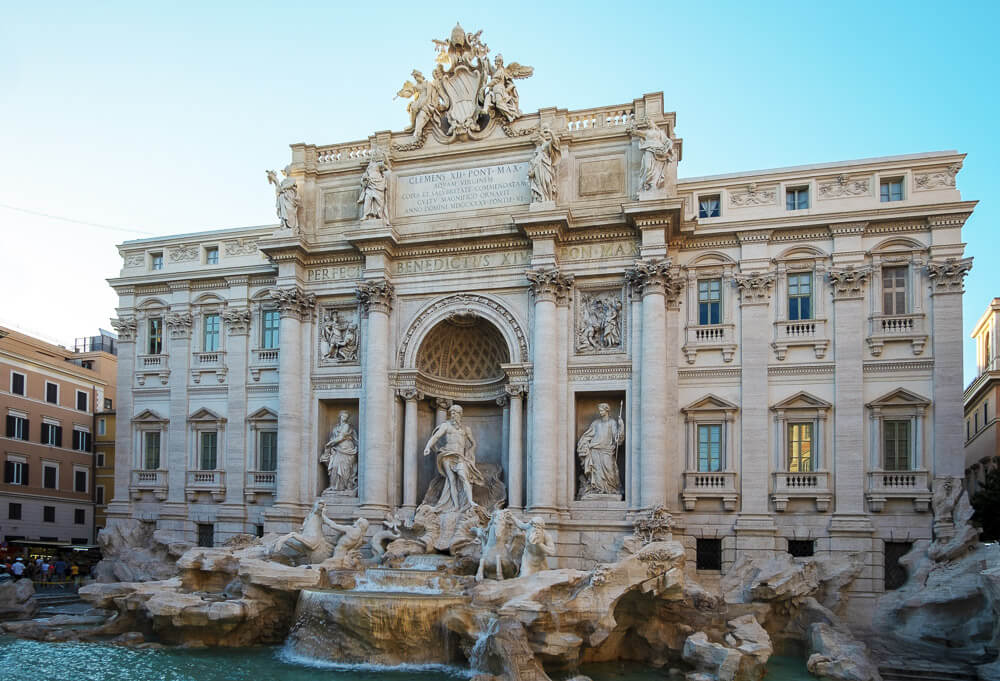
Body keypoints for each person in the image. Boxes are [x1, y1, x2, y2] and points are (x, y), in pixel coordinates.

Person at [423, 404, 484, 512]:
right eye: (451, 413)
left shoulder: (466, 429)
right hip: (447, 455)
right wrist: (428, 446)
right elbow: (436, 437)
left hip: (459, 456)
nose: (452, 415)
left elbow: (473, 443)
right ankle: (456, 506)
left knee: (464, 477)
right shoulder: (446, 426)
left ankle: (470, 502)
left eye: (455, 413)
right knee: (451, 480)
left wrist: (471, 451)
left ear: (460, 414)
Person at [576, 402, 626, 497]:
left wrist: (621, 426)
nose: (600, 412)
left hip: (607, 450)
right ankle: (597, 489)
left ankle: (611, 489)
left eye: (602, 410)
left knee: (609, 470)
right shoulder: (596, 423)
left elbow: (617, 437)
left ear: (607, 410)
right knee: (596, 471)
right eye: (599, 410)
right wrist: (584, 443)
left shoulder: (612, 422)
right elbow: (588, 435)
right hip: (595, 449)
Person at [320, 411, 359, 492]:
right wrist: (331, 447)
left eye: (346, 417)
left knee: (345, 468)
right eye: (343, 416)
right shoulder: (336, 427)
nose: (345, 418)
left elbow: (341, 437)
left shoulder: (347, 426)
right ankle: (333, 486)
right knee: (334, 467)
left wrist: (330, 443)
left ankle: (343, 487)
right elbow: (333, 437)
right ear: (340, 417)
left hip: (347, 449)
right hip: (337, 449)